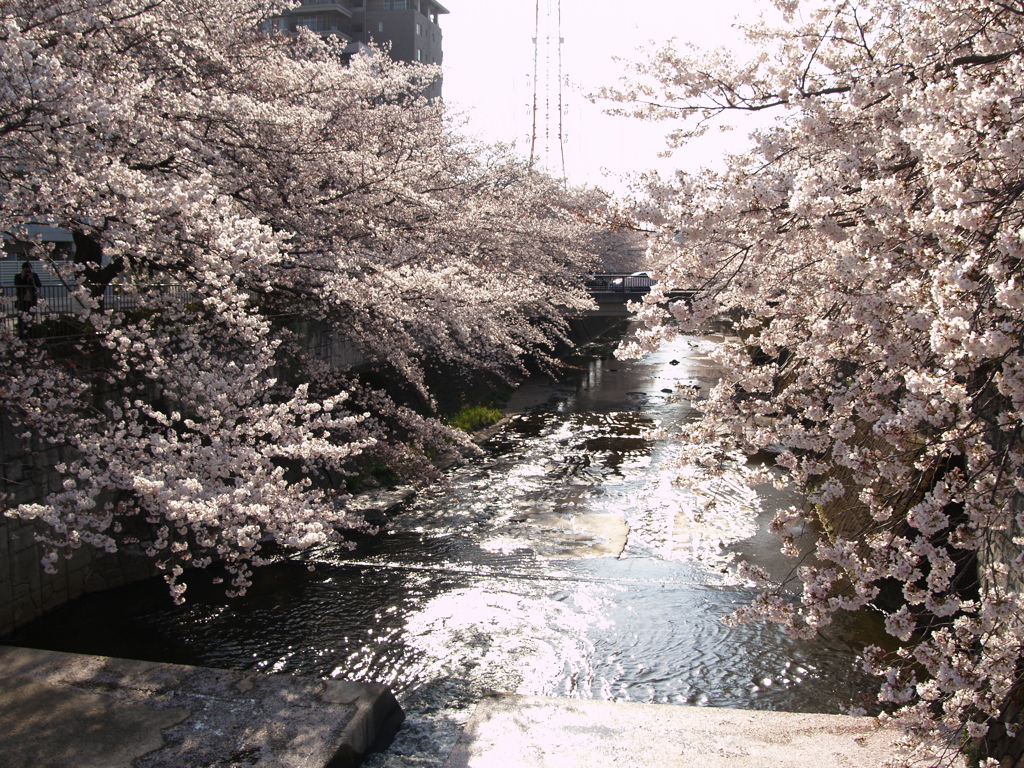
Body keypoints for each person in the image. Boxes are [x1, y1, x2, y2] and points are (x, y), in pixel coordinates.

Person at [13, 261, 42, 338]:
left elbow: (39, 285)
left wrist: (31, 279)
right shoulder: (18, 276)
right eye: (25, 269)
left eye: (28, 269)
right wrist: (22, 277)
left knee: (31, 319)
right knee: (21, 320)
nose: (27, 271)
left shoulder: (34, 275)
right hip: (22, 301)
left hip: (31, 302)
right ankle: (22, 337)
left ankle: (30, 336)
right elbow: (17, 285)